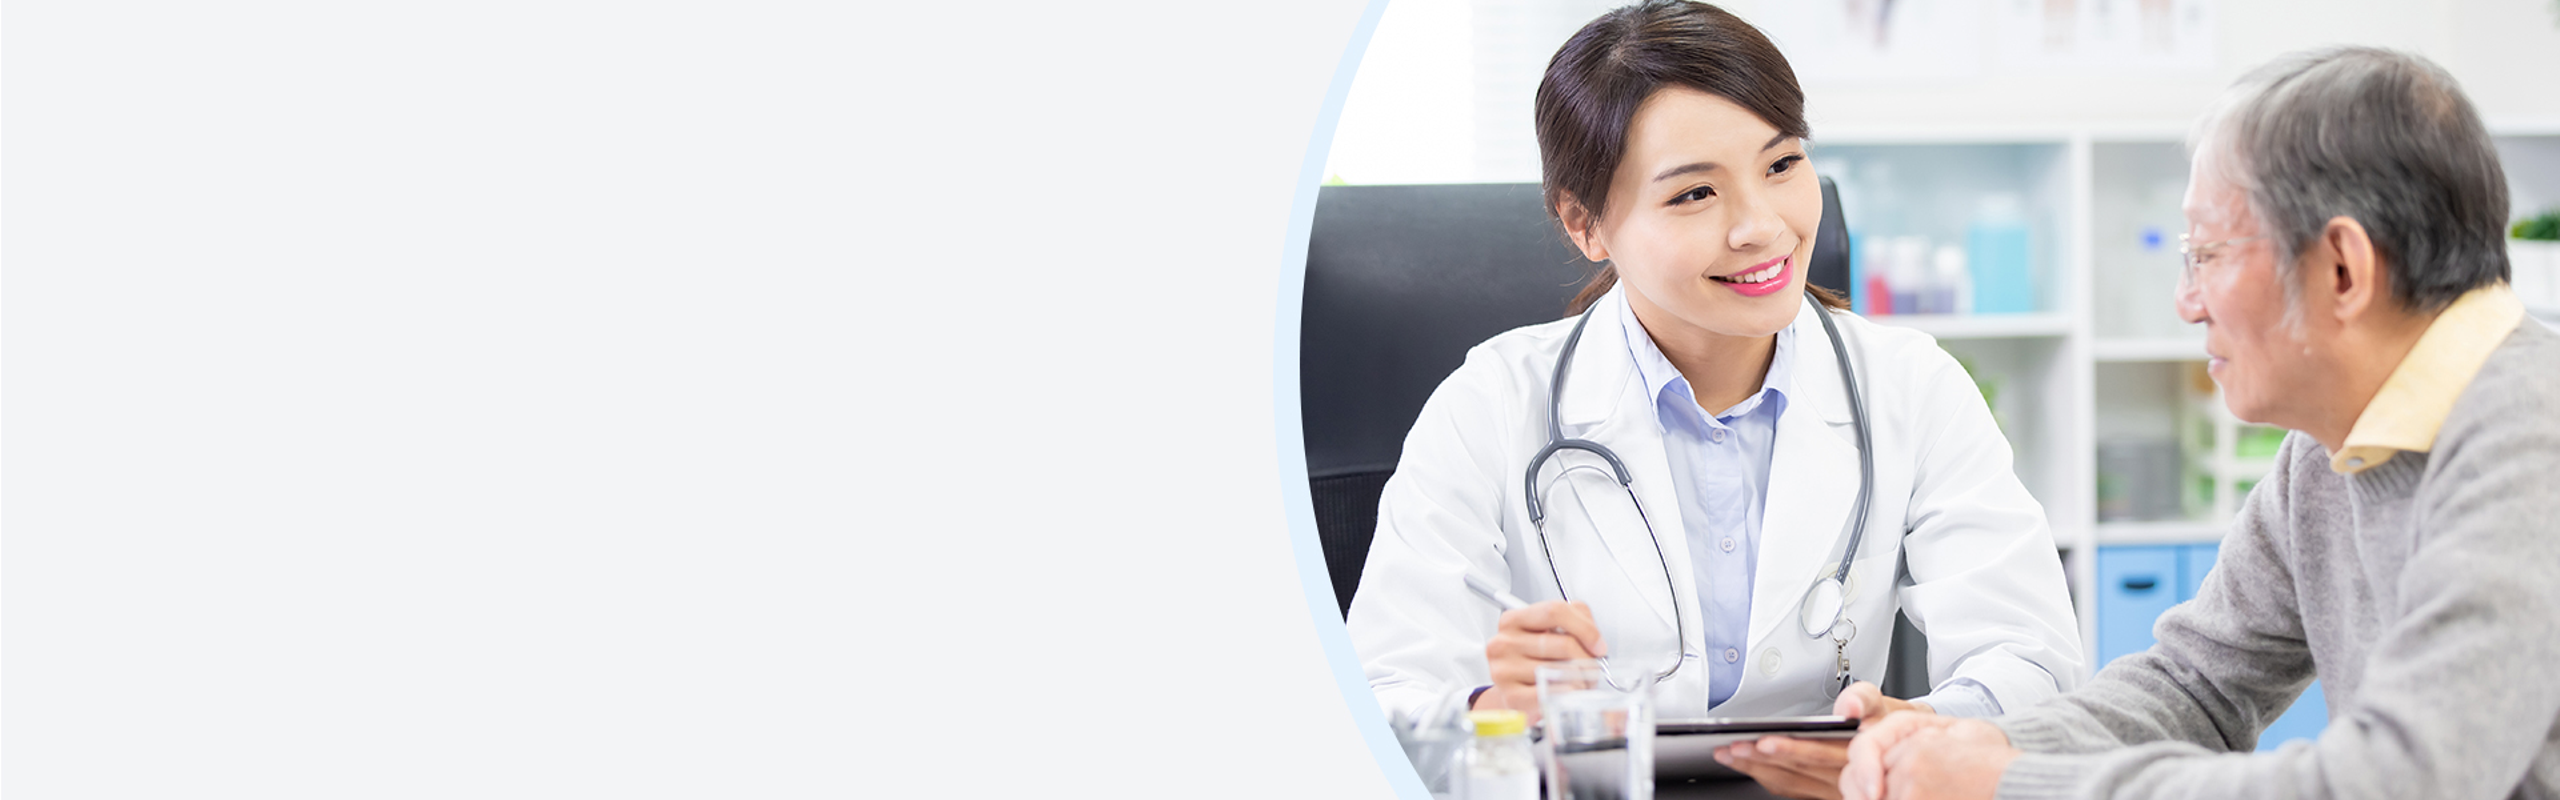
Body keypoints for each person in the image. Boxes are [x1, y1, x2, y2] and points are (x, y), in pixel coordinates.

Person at [1343, 3, 2084, 796]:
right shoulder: (1487, 406)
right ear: (1585, 224)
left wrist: (1914, 737)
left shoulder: (1912, 387)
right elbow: (1378, 698)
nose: (1761, 227)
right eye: (1696, 193)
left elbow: (2032, 662)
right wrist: (1489, 707)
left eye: (1782, 164)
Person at [1837, 46, 2560, 800]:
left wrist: (2012, 779)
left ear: (2343, 269)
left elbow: (2396, 782)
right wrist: (1973, 742)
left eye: (2206, 254)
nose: (2187, 302)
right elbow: (2196, 686)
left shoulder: (2531, 441)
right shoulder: (2331, 446)